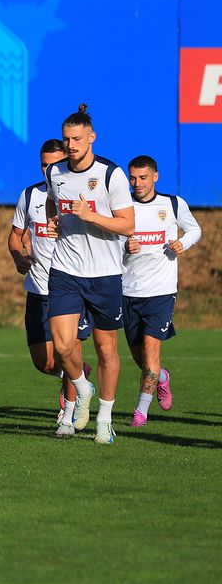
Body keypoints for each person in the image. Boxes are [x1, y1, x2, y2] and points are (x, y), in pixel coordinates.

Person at [45, 104, 135, 444]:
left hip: (106, 273)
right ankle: (83, 388)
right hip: (65, 269)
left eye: (77, 139)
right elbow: (55, 205)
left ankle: (104, 419)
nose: (71, 145)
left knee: (106, 349)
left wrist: (91, 216)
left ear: (92, 138)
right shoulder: (55, 173)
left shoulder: (112, 175)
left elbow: (128, 224)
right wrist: (56, 222)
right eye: (67, 139)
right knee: (63, 346)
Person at [7, 139, 94, 431]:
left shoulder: (79, 194)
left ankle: (68, 418)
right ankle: (80, 377)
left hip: (71, 287)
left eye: (53, 164)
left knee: (69, 351)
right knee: (44, 363)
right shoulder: (30, 195)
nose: (48, 170)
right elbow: (15, 235)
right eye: (44, 164)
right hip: (37, 288)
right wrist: (18, 255)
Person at [122, 155, 201, 427]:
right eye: (133, 178)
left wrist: (183, 243)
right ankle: (162, 378)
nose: (137, 183)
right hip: (129, 289)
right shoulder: (122, 207)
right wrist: (124, 247)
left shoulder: (172, 203)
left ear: (155, 177)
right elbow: (109, 243)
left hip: (161, 291)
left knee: (151, 351)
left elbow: (194, 230)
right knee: (139, 357)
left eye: (143, 178)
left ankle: (140, 412)